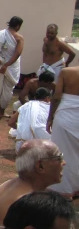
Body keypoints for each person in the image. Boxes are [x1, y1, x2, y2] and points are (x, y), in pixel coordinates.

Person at [0, 139, 64, 227]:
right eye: (59, 158)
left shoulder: (9, 184)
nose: (64, 163)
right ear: (40, 166)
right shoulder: (28, 203)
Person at [43, 64, 78, 197]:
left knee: (62, 152)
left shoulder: (67, 72)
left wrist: (50, 117)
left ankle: (63, 189)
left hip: (65, 116)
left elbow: (56, 97)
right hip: (68, 115)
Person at [0, 16, 25, 117]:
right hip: (10, 67)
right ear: (18, 26)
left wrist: (1, 63)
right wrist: (6, 65)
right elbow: (18, 53)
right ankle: (1, 111)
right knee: (7, 89)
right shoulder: (19, 38)